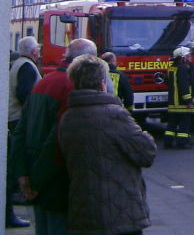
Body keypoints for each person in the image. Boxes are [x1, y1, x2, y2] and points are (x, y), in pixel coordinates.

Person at [59, 54, 156, 235]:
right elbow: (146, 153)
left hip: (83, 211)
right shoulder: (114, 114)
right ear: (102, 83)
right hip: (120, 211)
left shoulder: (68, 117)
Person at [11, 38, 97, 235]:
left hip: (36, 174)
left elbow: (20, 131)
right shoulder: (74, 86)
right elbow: (57, 140)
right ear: (88, 59)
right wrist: (37, 182)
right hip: (58, 179)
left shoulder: (43, 82)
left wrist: (23, 174)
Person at [7, 37, 41, 229]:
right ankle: (20, 193)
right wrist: (33, 115)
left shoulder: (18, 64)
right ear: (33, 52)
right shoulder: (27, 67)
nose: (39, 53)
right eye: (38, 49)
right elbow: (24, 93)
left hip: (13, 117)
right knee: (21, 157)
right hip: (19, 118)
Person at [164, 47, 194, 149]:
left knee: (171, 124)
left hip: (172, 103)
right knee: (184, 124)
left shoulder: (171, 69)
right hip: (182, 103)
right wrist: (188, 100)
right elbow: (184, 86)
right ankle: (182, 143)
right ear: (182, 58)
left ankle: (168, 142)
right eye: (187, 56)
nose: (189, 58)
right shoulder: (182, 69)